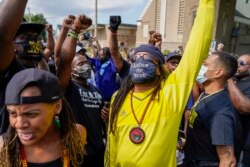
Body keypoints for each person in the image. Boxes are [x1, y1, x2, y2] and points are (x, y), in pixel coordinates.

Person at [104, 0, 215, 166]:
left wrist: (207, 4)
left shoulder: (171, 93)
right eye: (136, 58)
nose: (141, 61)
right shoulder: (118, 97)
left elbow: (198, 45)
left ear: (159, 68)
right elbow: (112, 142)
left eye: (147, 58)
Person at [0, 68, 86, 166]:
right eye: (12, 113)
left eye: (31, 114)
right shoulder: (3, 148)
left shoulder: (77, 135)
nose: (19, 124)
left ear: (57, 107)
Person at [56, 15, 106, 167]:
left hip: (98, 150)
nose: (85, 65)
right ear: (70, 71)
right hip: (76, 152)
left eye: (86, 62)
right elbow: (63, 61)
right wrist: (73, 30)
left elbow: (101, 119)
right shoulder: (68, 87)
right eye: (80, 63)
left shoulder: (96, 90)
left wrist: (106, 115)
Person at [184, 52, 241, 167]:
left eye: (205, 64)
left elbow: (228, 161)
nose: (200, 67)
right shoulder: (207, 94)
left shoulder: (220, 112)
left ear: (218, 72)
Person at [0, 0, 48, 135]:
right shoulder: (7, 68)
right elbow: (3, 35)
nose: (33, 41)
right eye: (26, 37)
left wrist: (40, 57)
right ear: (12, 45)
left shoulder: (37, 70)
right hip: (7, 149)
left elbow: (46, 82)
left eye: (35, 37)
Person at [164, 51, 194, 167]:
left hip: (175, 131)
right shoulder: (158, 81)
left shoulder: (184, 86)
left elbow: (188, 110)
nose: (176, 65)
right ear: (166, 64)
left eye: (179, 63)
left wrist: (185, 134)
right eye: (173, 62)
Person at [227, 53, 250, 166]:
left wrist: (229, 80)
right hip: (227, 138)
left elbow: (244, 108)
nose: (237, 65)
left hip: (243, 144)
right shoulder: (235, 80)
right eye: (236, 62)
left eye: (241, 63)